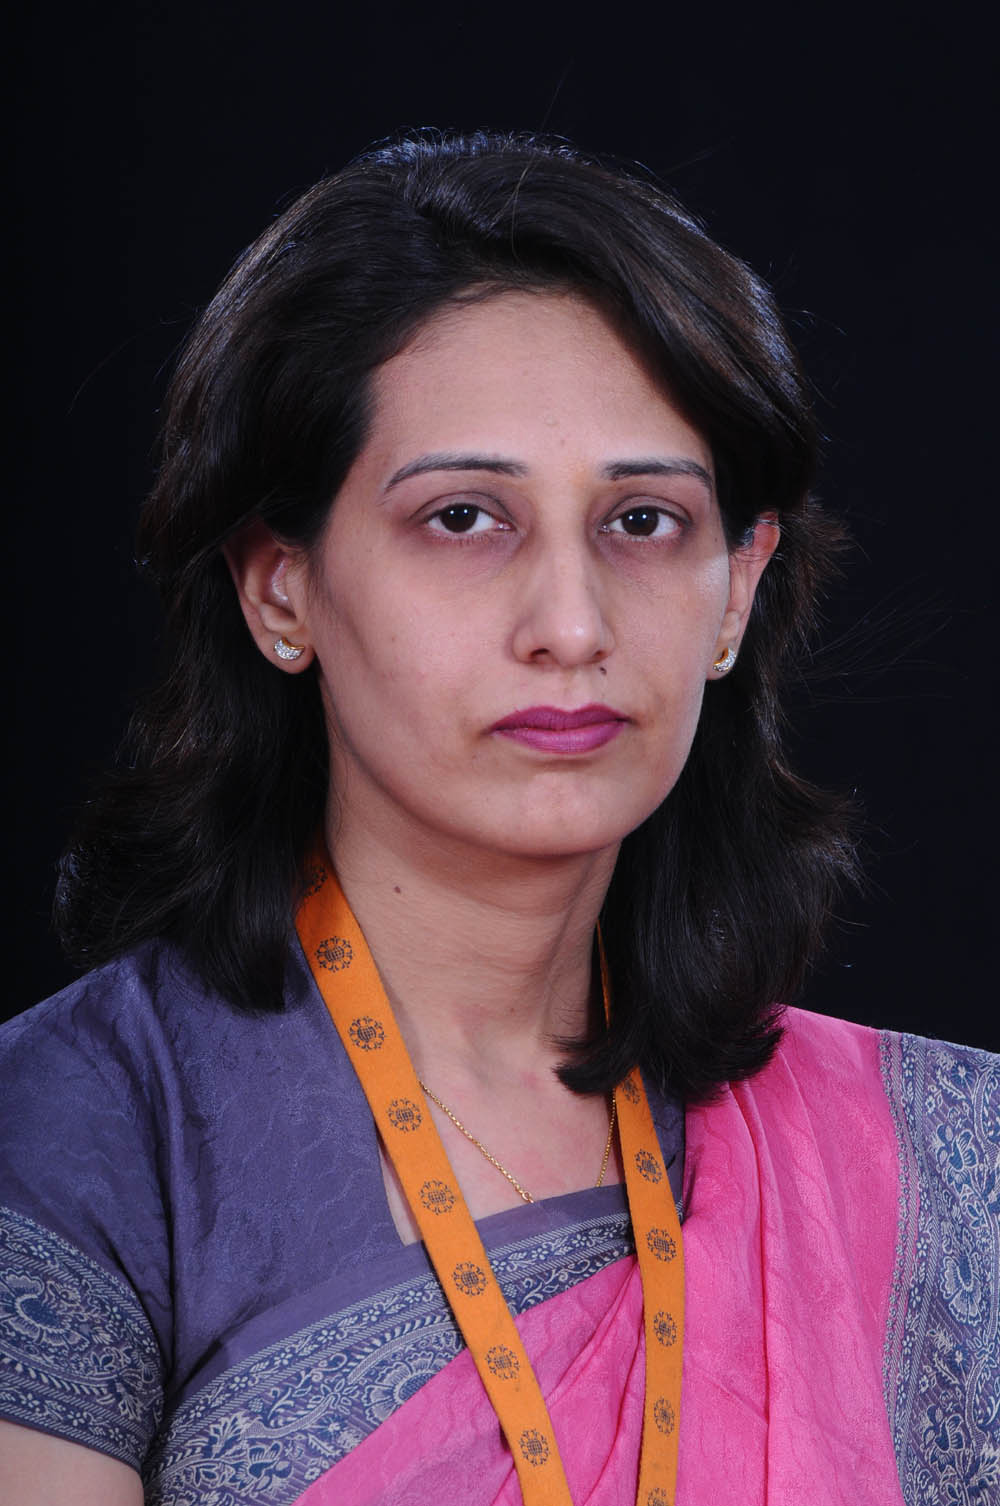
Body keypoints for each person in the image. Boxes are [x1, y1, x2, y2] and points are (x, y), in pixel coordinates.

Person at [1, 132, 997, 1506]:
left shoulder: (940, 1168)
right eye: (465, 517)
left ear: (736, 590)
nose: (571, 627)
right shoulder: (76, 1135)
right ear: (281, 587)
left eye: (642, 522)